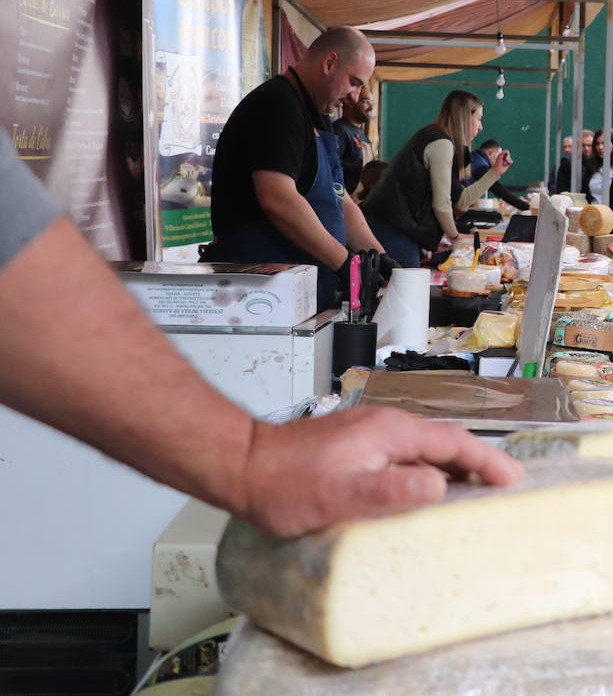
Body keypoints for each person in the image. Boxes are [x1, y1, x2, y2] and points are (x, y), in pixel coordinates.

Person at [0, 127, 523, 541]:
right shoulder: (288, 117)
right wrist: (251, 458)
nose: (358, 96)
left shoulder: (319, 129)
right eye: (353, 81)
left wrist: (253, 458)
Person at [208, 27, 392, 311]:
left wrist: (379, 258)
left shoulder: (319, 116)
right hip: (256, 297)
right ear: (329, 63)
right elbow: (278, 199)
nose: (355, 97)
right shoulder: (276, 105)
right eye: (354, 83)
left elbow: (338, 198)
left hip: (298, 296)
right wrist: (345, 264)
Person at [361, 90, 511, 267]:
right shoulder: (441, 144)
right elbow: (442, 204)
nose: (480, 126)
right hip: (392, 229)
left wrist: (495, 172)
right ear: (463, 117)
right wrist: (455, 237)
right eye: (478, 118)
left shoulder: (439, 140)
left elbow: (460, 200)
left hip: (394, 227)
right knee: (406, 288)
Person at [332, 83, 376, 196]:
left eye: (372, 102)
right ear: (350, 100)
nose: (371, 107)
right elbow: (331, 167)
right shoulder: (339, 130)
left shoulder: (362, 135)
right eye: (366, 101)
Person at [470, 139, 530, 211]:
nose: (499, 160)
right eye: (498, 156)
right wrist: (525, 206)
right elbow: (498, 189)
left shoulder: (474, 157)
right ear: (490, 152)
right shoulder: (480, 164)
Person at [555, 129, 594, 196]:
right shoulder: (568, 162)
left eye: (589, 145)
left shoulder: (598, 163)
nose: (586, 149)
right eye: (583, 145)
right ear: (577, 146)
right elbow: (561, 188)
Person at [585, 129, 611, 206]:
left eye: (604, 143)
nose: (600, 147)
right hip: (593, 212)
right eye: (597, 144)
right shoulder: (591, 167)